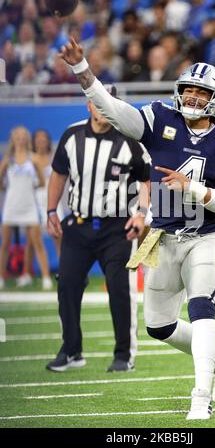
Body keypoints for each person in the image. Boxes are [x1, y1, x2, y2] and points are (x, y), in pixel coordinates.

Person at [60, 38, 215, 420]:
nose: (194, 98)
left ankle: (201, 397)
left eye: (202, 92)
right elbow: (111, 110)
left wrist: (191, 187)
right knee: (158, 327)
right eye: (189, 90)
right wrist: (83, 70)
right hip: (162, 236)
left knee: (201, 310)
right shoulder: (158, 117)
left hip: (205, 238)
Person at [46, 88, 151, 373]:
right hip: (78, 226)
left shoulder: (129, 139)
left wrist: (140, 215)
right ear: (88, 105)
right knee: (67, 284)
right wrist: (51, 210)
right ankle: (71, 350)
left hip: (117, 228)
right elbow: (58, 173)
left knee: (119, 289)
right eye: (98, 103)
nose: (103, 109)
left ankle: (123, 354)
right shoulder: (72, 135)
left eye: (109, 105)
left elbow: (145, 179)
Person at [0, 126, 52, 290]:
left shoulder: (34, 159)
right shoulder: (8, 160)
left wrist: (28, 190)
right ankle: (1, 277)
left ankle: (45, 277)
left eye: (23, 136)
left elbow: (42, 182)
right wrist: (11, 190)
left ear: (27, 139)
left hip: (30, 206)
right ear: (13, 139)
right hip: (11, 206)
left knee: (37, 242)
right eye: (17, 136)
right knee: (5, 243)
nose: (21, 139)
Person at [20, 129, 64, 287]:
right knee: (32, 240)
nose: (41, 141)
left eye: (44, 138)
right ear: (33, 141)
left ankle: (63, 271)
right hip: (34, 200)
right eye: (38, 139)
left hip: (53, 200)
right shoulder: (28, 159)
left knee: (58, 237)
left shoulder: (54, 157)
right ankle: (27, 274)